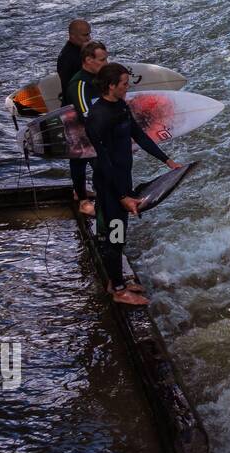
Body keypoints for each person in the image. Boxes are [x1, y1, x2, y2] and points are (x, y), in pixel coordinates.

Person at [83, 63, 181, 307]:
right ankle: (117, 289)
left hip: (123, 180)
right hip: (109, 186)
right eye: (124, 83)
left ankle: (116, 281)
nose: (128, 87)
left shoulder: (120, 106)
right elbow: (101, 162)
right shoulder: (98, 117)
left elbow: (138, 135)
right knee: (114, 237)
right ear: (111, 86)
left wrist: (167, 161)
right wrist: (121, 196)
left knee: (119, 236)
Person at [65, 40, 108, 217]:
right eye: (102, 60)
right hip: (79, 130)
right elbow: (85, 113)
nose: (106, 63)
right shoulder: (79, 84)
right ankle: (83, 201)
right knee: (80, 162)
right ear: (88, 60)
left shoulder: (97, 77)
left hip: (95, 129)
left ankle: (81, 192)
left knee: (92, 163)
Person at [57, 19, 92, 215]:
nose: (89, 38)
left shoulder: (79, 52)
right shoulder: (68, 57)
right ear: (72, 36)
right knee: (79, 157)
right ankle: (82, 200)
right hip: (73, 112)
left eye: (89, 34)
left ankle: (80, 191)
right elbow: (71, 89)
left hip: (81, 108)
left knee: (88, 155)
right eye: (85, 35)